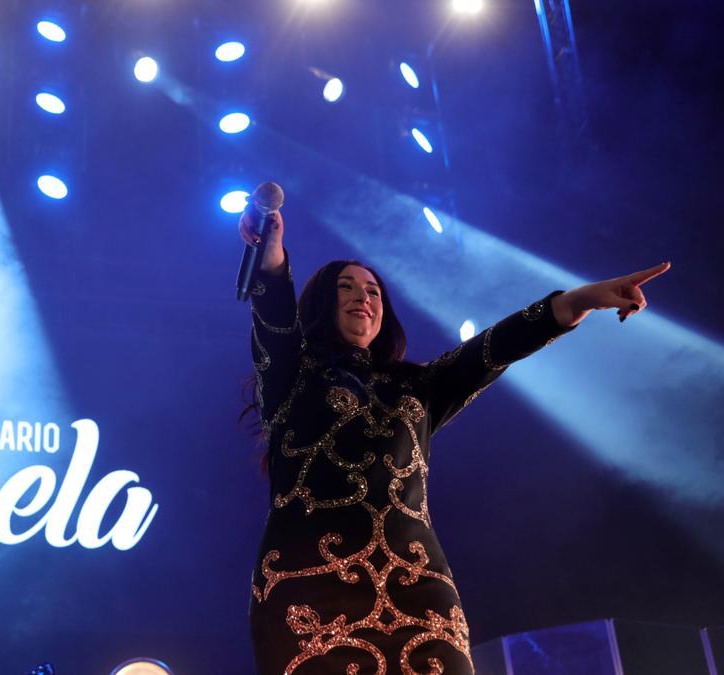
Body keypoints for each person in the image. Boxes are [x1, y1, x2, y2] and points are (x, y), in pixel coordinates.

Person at [238, 210, 669, 674]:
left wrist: (580, 299)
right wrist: (272, 250)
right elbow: (274, 317)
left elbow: (493, 348)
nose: (363, 296)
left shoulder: (418, 387)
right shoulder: (289, 376)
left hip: (419, 590)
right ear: (321, 302)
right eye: (346, 286)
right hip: (310, 593)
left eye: (374, 291)